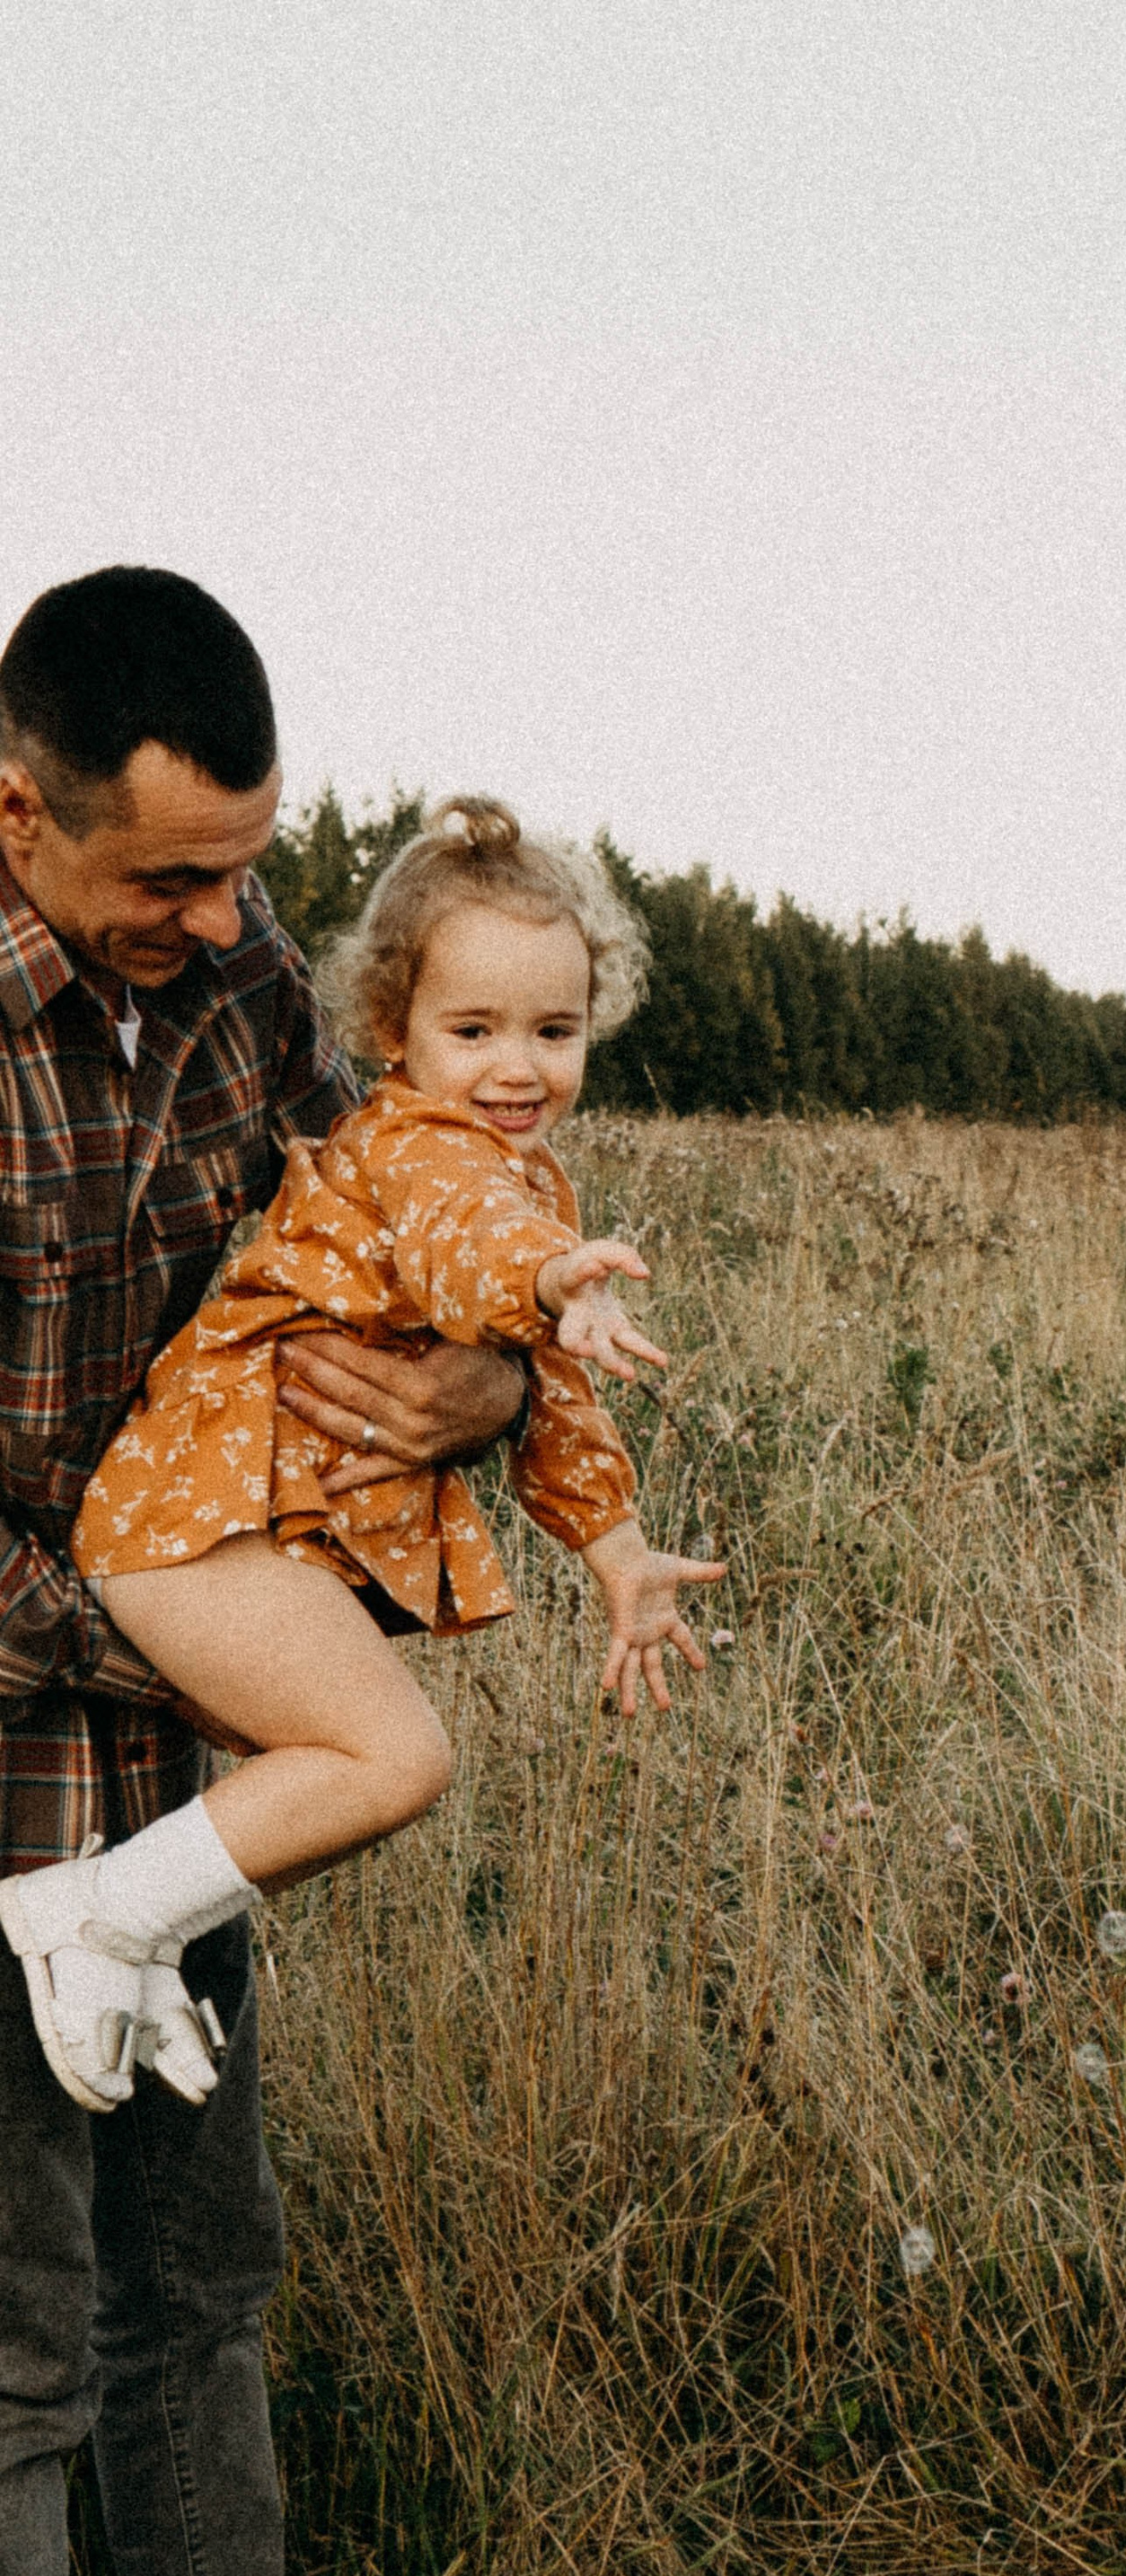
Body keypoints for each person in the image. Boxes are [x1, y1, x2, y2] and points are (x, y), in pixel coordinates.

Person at [0, 566, 531, 2576]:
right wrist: (137, 1626)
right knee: (9, 2315)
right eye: (170, 877)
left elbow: (404, 1220)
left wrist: (483, 1393)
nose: (229, 920)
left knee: (196, 2268)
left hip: (184, 1781)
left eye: (250, 865)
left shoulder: (248, 987)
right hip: (33, 1750)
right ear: (21, 815)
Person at [1, 794, 726, 2118]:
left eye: (554, 1031)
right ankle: (90, 1915)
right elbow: (464, 1244)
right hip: (184, 1524)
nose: (519, 1067)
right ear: (393, 1032)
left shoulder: (513, 1170)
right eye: (474, 1030)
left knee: (340, 1772)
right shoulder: (418, 1149)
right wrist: (555, 1276)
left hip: (208, 1527)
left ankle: (129, 1925)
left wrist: (618, 1554)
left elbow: (545, 1394)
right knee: (393, 1760)